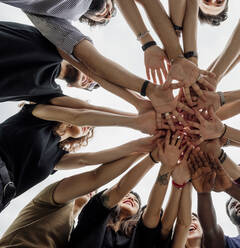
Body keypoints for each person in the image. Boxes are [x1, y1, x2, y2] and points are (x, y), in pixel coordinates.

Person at [0, 0, 216, 124]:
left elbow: (90, 60)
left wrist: (148, 90)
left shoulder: (47, 17)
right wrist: (166, 50)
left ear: (88, 19)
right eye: (111, 9)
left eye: (105, 17)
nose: (107, 13)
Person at [0, 104, 160, 212]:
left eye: (91, 127)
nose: (88, 125)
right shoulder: (36, 115)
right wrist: (139, 120)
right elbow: (78, 114)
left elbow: (89, 160)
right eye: (89, 120)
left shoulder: (57, 157)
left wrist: (142, 146)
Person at [0, 136, 149, 247]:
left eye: (94, 191)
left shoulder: (73, 230)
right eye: (90, 188)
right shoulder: (53, 199)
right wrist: (144, 151)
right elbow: (96, 177)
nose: (91, 191)